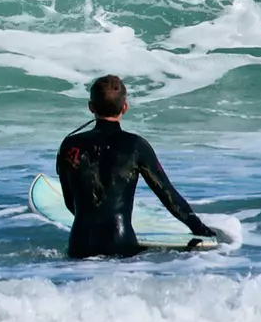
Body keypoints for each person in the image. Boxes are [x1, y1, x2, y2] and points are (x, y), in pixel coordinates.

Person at [56, 74, 216, 258]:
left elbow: (70, 202)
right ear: (125, 107)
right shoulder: (135, 146)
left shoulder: (69, 145)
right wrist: (200, 229)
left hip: (80, 244)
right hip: (120, 243)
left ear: (91, 107)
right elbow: (167, 194)